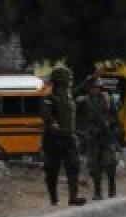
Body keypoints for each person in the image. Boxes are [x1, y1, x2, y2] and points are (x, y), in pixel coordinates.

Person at [41, 66, 86, 206]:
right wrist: (53, 123)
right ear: (58, 83)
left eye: (68, 83)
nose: (66, 86)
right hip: (53, 140)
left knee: (73, 167)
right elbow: (45, 113)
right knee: (52, 170)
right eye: (64, 83)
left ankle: (73, 197)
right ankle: (54, 199)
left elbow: (77, 92)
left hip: (69, 139)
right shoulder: (49, 99)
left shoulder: (69, 97)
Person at [76, 77, 121, 200]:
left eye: (97, 87)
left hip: (106, 136)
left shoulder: (107, 99)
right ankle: (97, 192)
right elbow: (73, 98)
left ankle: (112, 190)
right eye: (92, 87)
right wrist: (83, 82)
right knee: (94, 166)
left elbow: (115, 117)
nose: (95, 90)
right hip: (92, 137)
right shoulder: (84, 101)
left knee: (109, 163)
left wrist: (108, 123)